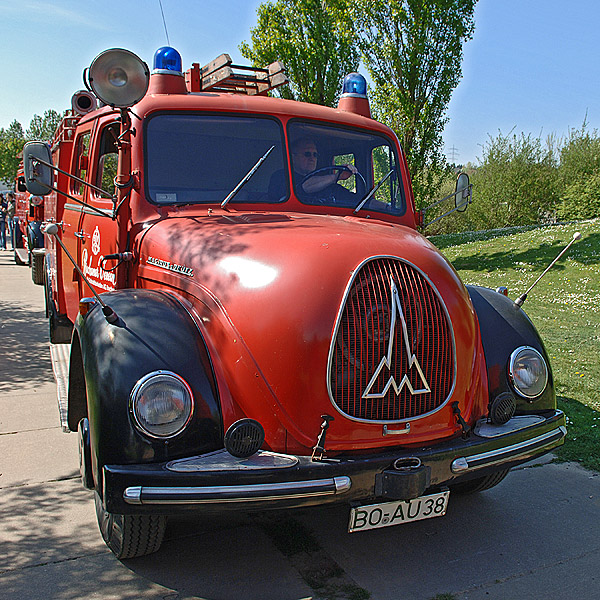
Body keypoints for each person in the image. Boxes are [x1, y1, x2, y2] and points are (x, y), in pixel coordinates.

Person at [269, 137, 359, 205]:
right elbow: (304, 187)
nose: (312, 158)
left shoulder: (327, 182)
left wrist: (371, 204)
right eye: (307, 154)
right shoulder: (281, 177)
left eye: (315, 155)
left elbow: (358, 201)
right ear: (293, 157)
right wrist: (336, 177)